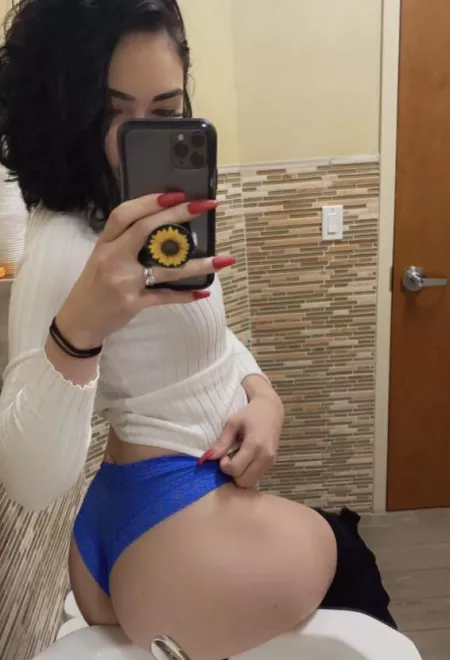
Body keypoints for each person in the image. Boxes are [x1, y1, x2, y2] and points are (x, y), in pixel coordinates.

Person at [0, 1, 395, 658]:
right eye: (112, 113)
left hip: (153, 510)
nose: (138, 140)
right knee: (349, 556)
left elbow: (209, 339)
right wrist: (81, 328)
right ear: (63, 110)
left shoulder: (147, 213)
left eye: (165, 112)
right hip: (167, 512)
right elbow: (30, 483)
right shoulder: (65, 243)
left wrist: (264, 395)